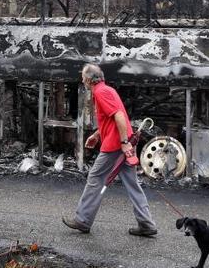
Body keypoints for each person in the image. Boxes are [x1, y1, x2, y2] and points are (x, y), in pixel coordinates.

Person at [62, 63, 158, 237]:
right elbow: (113, 118)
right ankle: (147, 223)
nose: (82, 80)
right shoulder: (108, 90)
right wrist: (98, 134)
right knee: (132, 183)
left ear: (89, 80)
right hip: (123, 142)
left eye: (83, 77)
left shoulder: (100, 93)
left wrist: (123, 143)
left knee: (96, 177)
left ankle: (83, 220)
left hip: (115, 146)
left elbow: (120, 117)